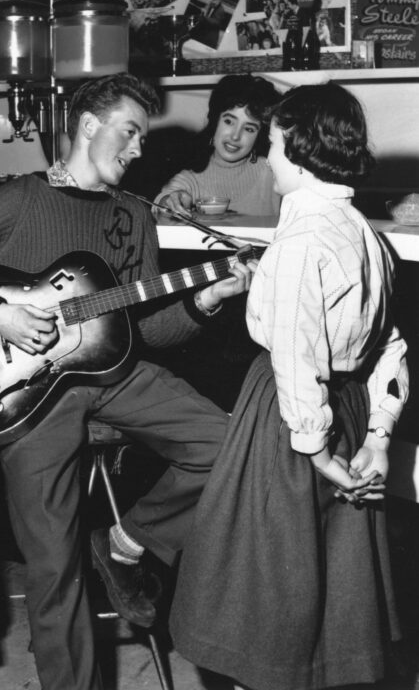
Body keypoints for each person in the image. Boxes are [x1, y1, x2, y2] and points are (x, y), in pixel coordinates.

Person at [0, 73, 256, 690]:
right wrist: (1, 316)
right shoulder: (20, 198)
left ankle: (126, 540)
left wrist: (209, 299)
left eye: (143, 138)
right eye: (130, 131)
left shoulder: (134, 212)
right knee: (52, 564)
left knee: (234, 446)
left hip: (118, 375)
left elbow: (144, 331)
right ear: (90, 125)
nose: (138, 149)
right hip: (29, 394)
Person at [170, 82, 409, 690]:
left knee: (266, 588)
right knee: (327, 587)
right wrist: (378, 437)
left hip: (287, 419)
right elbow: (391, 346)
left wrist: (319, 454)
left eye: (271, 144)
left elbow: (298, 365)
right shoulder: (367, 233)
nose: (266, 157)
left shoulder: (301, 242)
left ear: (298, 151)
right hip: (353, 407)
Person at [154, 73, 282, 217]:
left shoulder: (273, 173)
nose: (235, 136)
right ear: (215, 121)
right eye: (229, 122)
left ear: (259, 135)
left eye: (249, 129)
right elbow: (163, 203)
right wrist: (170, 201)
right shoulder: (191, 179)